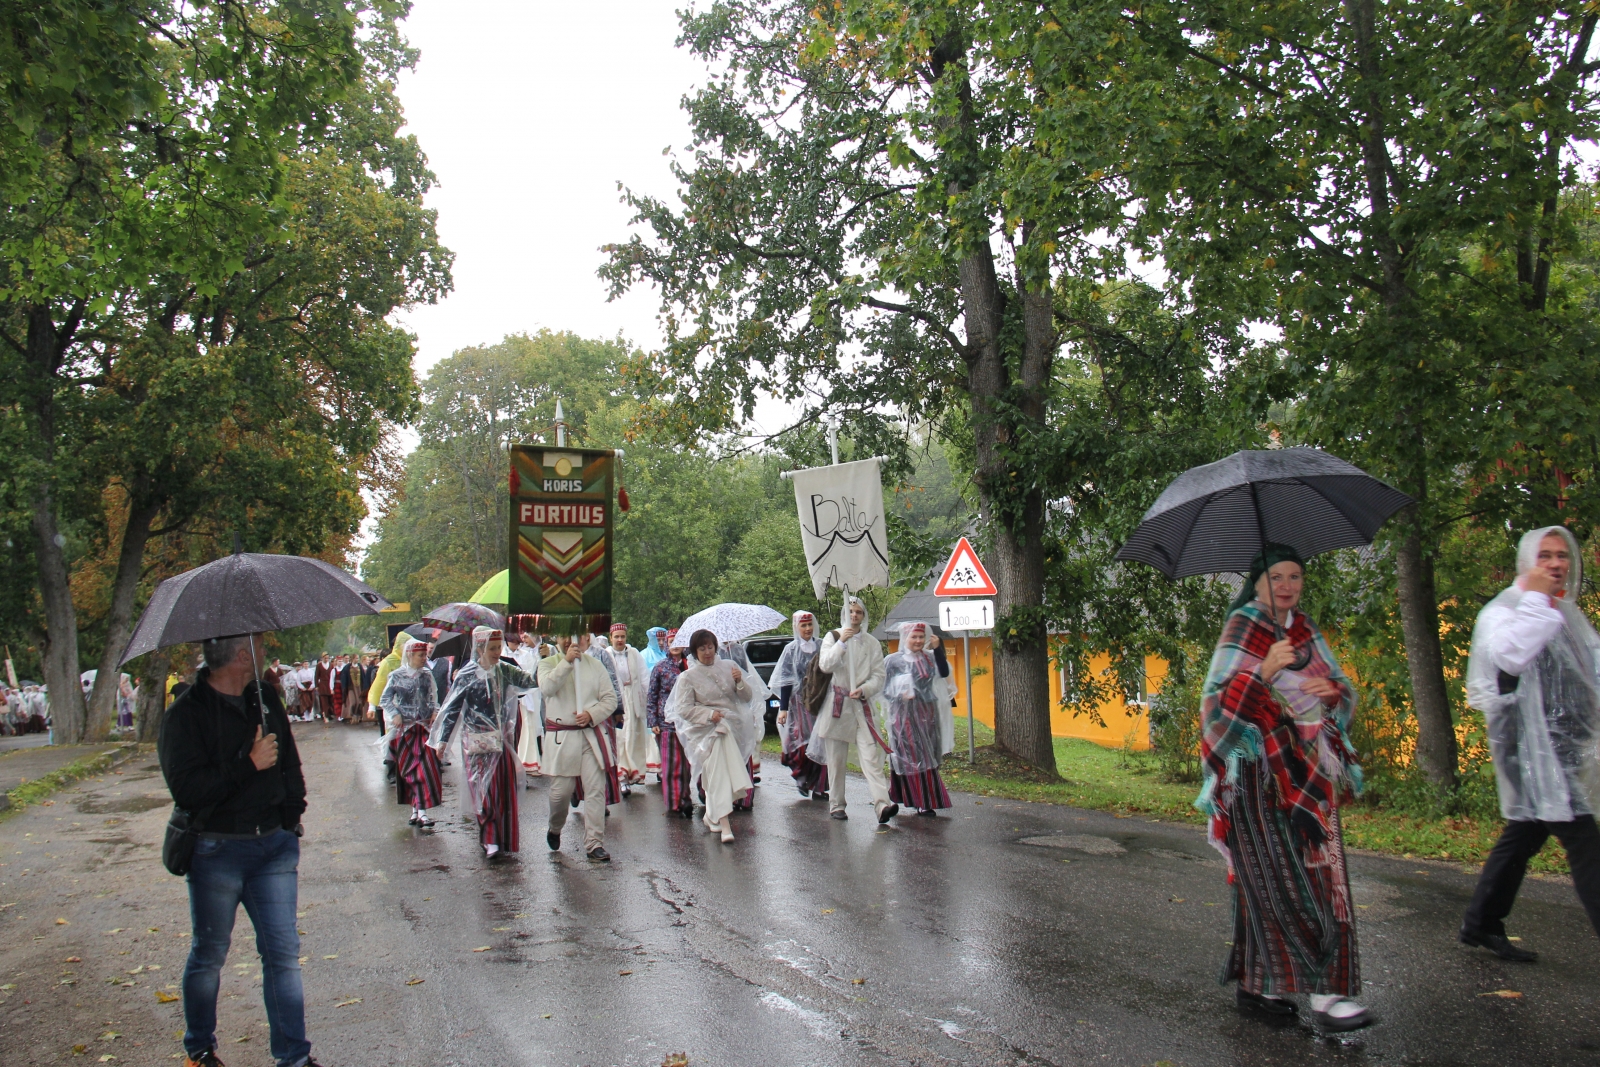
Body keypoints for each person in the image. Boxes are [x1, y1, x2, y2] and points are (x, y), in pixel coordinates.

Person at [1200, 544, 1368, 1031]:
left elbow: (1341, 691)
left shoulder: (1305, 629)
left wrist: (1333, 693)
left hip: (1311, 775)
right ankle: (1327, 992)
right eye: (1277, 576)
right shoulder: (1243, 628)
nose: (1288, 585)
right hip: (1255, 778)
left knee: (1303, 879)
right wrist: (1264, 671)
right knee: (1291, 882)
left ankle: (1257, 988)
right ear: (1257, 582)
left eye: (1295, 575)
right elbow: (1216, 713)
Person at [158, 632, 324, 1067]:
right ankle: (200, 1048)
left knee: (283, 954)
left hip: (273, 847)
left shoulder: (265, 698)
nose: (265, 649)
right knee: (210, 953)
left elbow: (289, 763)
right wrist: (247, 764)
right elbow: (188, 790)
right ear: (238, 654)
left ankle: (294, 1056)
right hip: (218, 850)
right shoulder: (185, 715)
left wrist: (290, 818)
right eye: (258, 643)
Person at [1460, 525, 1600, 960]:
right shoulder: (1506, 610)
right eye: (1545, 556)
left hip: (1561, 748)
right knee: (1584, 841)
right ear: (1527, 562)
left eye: (1562, 555)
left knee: (1526, 831)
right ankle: (1482, 922)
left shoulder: (1564, 610)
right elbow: (1510, 656)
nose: (1556, 564)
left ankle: (1481, 923)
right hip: (1531, 753)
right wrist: (1537, 599)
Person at [428, 627, 535, 859]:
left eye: (499, 647)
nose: (498, 652)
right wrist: (443, 741)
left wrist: (543, 659)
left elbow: (530, 681)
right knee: (484, 791)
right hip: (475, 744)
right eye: (493, 648)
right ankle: (490, 839)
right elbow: (452, 709)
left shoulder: (504, 670)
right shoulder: (466, 675)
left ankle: (501, 836)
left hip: (500, 740)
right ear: (480, 648)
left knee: (502, 790)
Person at [667, 629, 759, 842]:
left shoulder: (728, 667)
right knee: (718, 772)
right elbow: (683, 709)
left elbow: (746, 697)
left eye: (710, 647)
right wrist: (709, 714)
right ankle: (725, 822)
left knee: (714, 773)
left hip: (732, 725)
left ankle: (711, 814)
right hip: (705, 730)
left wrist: (739, 682)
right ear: (694, 651)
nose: (707, 652)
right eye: (702, 648)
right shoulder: (687, 677)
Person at [810, 596, 894, 823]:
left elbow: (879, 674)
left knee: (871, 755)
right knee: (836, 759)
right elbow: (825, 664)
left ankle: (882, 804)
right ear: (844, 615)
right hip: (838, 704)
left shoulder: (871, 643)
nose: (855, 616)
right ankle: (837, 804)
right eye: (851, 612)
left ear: (863, 615)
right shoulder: (833, 636)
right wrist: (841, 644)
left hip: (861, 706)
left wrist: (866, 688)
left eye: (858, 612)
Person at [539, 632, 620, 861]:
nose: (570, 642)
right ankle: (555, 827)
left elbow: (610, 699)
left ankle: (594, 843)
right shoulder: (547, 664)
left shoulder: (595, 666)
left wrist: (592, 714)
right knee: (560, 793)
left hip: (589, 736)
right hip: (562, 738)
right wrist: (565, 663)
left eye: (575, 637)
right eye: (565, 637)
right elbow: (547, 688)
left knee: (595, 790)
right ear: (558, 639)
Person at [882, 622, 955, 816]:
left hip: (926, 714)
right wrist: (900, 692)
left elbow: (944, 673)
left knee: (927, 754)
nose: (917, 641)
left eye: (921, 637)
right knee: (911, 755)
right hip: (903, 716)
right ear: (905, 638)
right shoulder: (893, 661)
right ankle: (922, 800)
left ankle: (920, 797)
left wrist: (939, 648)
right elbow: (884, 688)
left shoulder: (929, 659)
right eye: (913, 637)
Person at [380, 638, 442, 827]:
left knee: (425, 771)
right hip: (405, 731)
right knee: (410, 772)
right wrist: (395, 714)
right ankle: (416, 809)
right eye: (420, 655)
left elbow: (433, 696)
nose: (424, 658)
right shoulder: (397, 676)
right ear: (410, 655)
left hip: (423, 729)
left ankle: (422, 810)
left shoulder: (426, 675)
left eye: (425, 655)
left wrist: (434, 711)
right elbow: (385, 699)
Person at [772, 610, 829, 801]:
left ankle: (820, 786)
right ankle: (803, 778)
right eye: (803, 625)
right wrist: (784, 708)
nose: (807, 629)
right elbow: (786, 680)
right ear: (797, 627)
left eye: (809, 625)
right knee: (801, 744)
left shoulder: (822, 646)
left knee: (821, 743)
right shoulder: (791, 650)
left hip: (819, 702)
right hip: (799, 705)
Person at [595, 623, 658, 789]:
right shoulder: (605, 654)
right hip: (617, 701)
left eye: (622, 636)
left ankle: (634, 773)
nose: (620, 640)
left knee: (635, 738)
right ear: (611, 638)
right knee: (621, 738)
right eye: (616, 637)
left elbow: (644, 677)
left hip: (634, 699)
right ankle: (621, 777)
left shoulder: (634, 653)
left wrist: (650, 699)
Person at [648, 630, 693, 817]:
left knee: (688, 765)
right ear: (666, 643)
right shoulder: (660, 667)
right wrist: (653, 721)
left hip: (689, 722)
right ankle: (673, 803)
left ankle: (686, 798)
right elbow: (652, 695)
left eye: (679, 641)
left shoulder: (691, 666)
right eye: (672, 641)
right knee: (671, 766)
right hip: (666, 723)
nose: (676, 645)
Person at [507, 630, 546, 778]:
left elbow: (532, 672)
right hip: (510, 697)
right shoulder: (503, 653)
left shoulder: (526, 654)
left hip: (525, 696)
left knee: (527, 728)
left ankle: (528, 761)